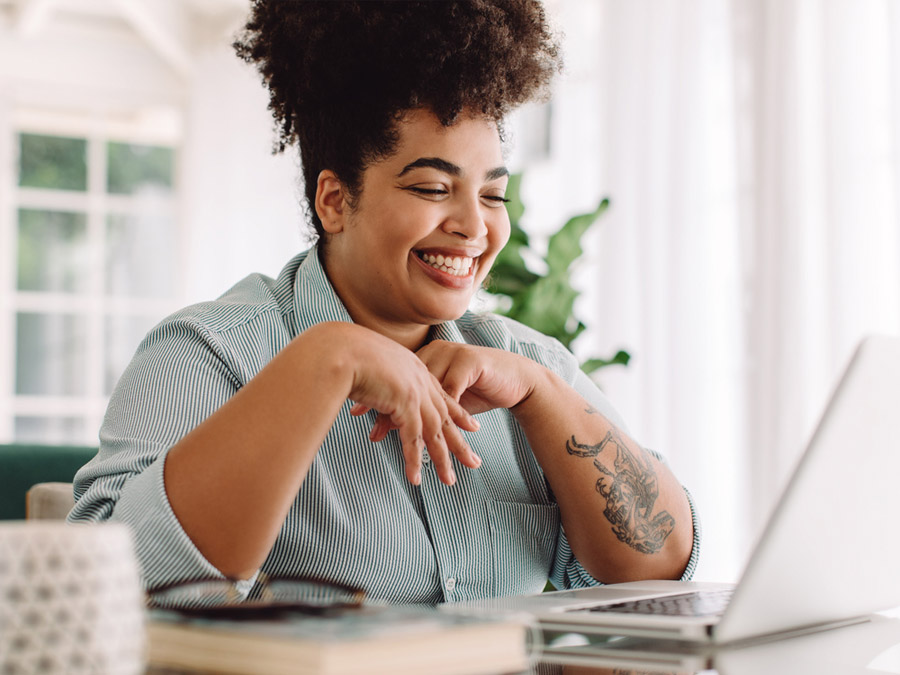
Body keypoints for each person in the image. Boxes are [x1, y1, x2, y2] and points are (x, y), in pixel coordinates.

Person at [69, 0, 699, 606]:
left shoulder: (526, 365)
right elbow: (103, 593)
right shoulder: (206, 355)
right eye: (432, 187)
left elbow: (661, 572)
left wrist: (543, 398)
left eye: (492, 196)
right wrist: (325, 360)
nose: (474, 228)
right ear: (335, 201)